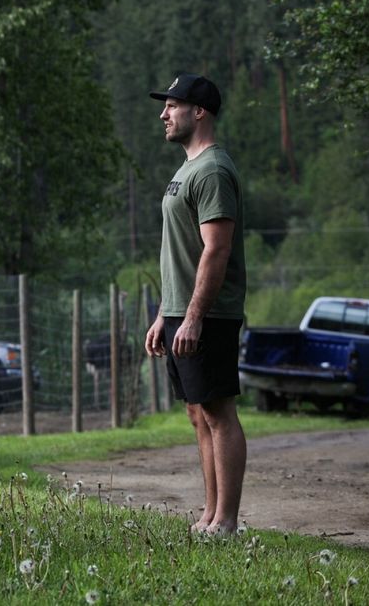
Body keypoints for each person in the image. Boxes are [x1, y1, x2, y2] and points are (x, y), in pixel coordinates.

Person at [144, 73, 248, 536]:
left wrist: (192, 316)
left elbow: (216, 250)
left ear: (198, 111)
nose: (164, 114)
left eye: (172, 106)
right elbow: (181, 251)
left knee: (219, 412)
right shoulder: (187, 169)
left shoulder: (212, 170)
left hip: (209, 315)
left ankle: (226, 519)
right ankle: (209, 512)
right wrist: (164, 314)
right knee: (196, 411)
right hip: (179, 312)